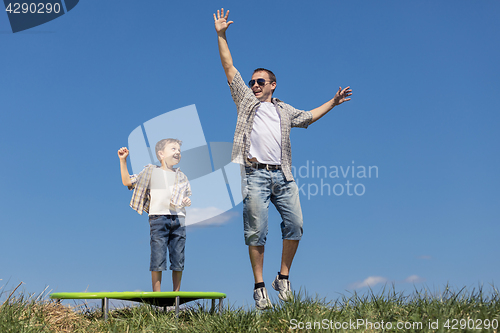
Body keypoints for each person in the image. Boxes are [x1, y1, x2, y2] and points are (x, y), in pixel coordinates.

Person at [213, 8, 352, 309]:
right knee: (256, 230)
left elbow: (308, 118)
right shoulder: (246, 102)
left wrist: (335, 101)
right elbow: (229, 68)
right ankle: (260, 286)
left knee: (296, 224)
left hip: (283, 175)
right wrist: (222, 35)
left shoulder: (284, 110)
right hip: (255, 174)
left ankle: (283, 277)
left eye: (260, 82)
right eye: (252, 82)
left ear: (273, 84)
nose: (254, 86)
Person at [117, 139, 192, 292]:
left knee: (178, 256)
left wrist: (186, 200)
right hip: (158, 218)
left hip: (179, 219)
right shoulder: (150, 171)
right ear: (161, 154)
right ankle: (157, 295)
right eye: (173, 149)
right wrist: (123, 160)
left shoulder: (182, 176)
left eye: (179, 150)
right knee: (158, 255)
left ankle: (175, 295)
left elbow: (186, 196)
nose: (177, 152)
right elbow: (127, 181)